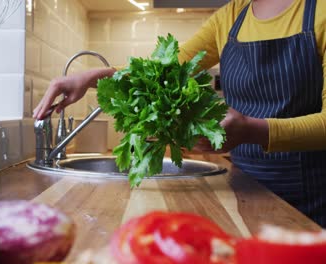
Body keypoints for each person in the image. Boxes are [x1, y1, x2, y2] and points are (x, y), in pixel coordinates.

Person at [33, 0, 326, 226]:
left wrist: (250, 130)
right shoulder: (230, 17)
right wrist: (93, 77)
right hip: (244, 191)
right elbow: (161, 72)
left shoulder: (320, 11)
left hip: (309, 200)